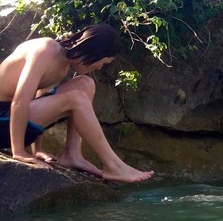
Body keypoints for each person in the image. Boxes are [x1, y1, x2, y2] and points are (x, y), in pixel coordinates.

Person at [0, 23, 155, 183]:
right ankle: (113, 165)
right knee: (76, 98)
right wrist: (18, 151)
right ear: (95, 52)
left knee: (85, 84)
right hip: (2, 119)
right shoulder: (45, 50)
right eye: (103, 62)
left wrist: (37, 150)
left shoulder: (61, 67)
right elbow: (21, 101)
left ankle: (72, 155)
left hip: (11, 120)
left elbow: (38, 100)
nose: (99, 68)